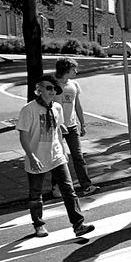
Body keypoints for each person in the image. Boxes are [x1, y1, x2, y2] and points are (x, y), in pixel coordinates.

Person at [17, 75, 96, 238]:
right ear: (39, 90)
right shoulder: (28, 110)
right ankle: (38, 224)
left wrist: (61, 131)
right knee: (35, 194)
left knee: (69, 190)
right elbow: (23, 136)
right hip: (36, 156)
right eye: (49, 88)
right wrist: (31, 157)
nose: (53, 91)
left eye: (54, 88)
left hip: (57, 156)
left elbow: (58, 126)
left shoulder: (57, 108)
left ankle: (78, 225)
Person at [51, 57, 99, 198]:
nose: (76, 72)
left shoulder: (74, 85)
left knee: (78, 157)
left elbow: (77, 105)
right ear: (66, 70)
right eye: (73, 69)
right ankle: (56, 187)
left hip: (72, 127)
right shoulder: (52, 84)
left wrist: (82, 124)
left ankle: (86, 186)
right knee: (59, 158)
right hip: (57, 128)